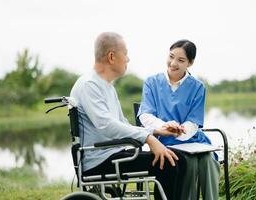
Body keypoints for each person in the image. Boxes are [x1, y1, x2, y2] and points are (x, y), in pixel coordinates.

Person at [70, 32, 186, 200]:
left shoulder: (107, 86)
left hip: (113, 153)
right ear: (111, 56)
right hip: (99, 161)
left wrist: (156, 131)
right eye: (125, 53)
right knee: (169, 162)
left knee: (178, 158)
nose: (128, 59)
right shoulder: (89, 85)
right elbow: (107, 126)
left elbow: (123, 124)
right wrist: (149, 139)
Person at [138, 39, 220, 200]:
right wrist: (166, 127)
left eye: (181, 60)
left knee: (208, 160)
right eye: (171, 56)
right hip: (163, 140)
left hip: (192, 139)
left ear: (190, 63)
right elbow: (145, 115)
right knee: (189, 163)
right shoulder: (152, 83)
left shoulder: (197, 87)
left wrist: (180, 131)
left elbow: (194, 121)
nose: (173, 63)